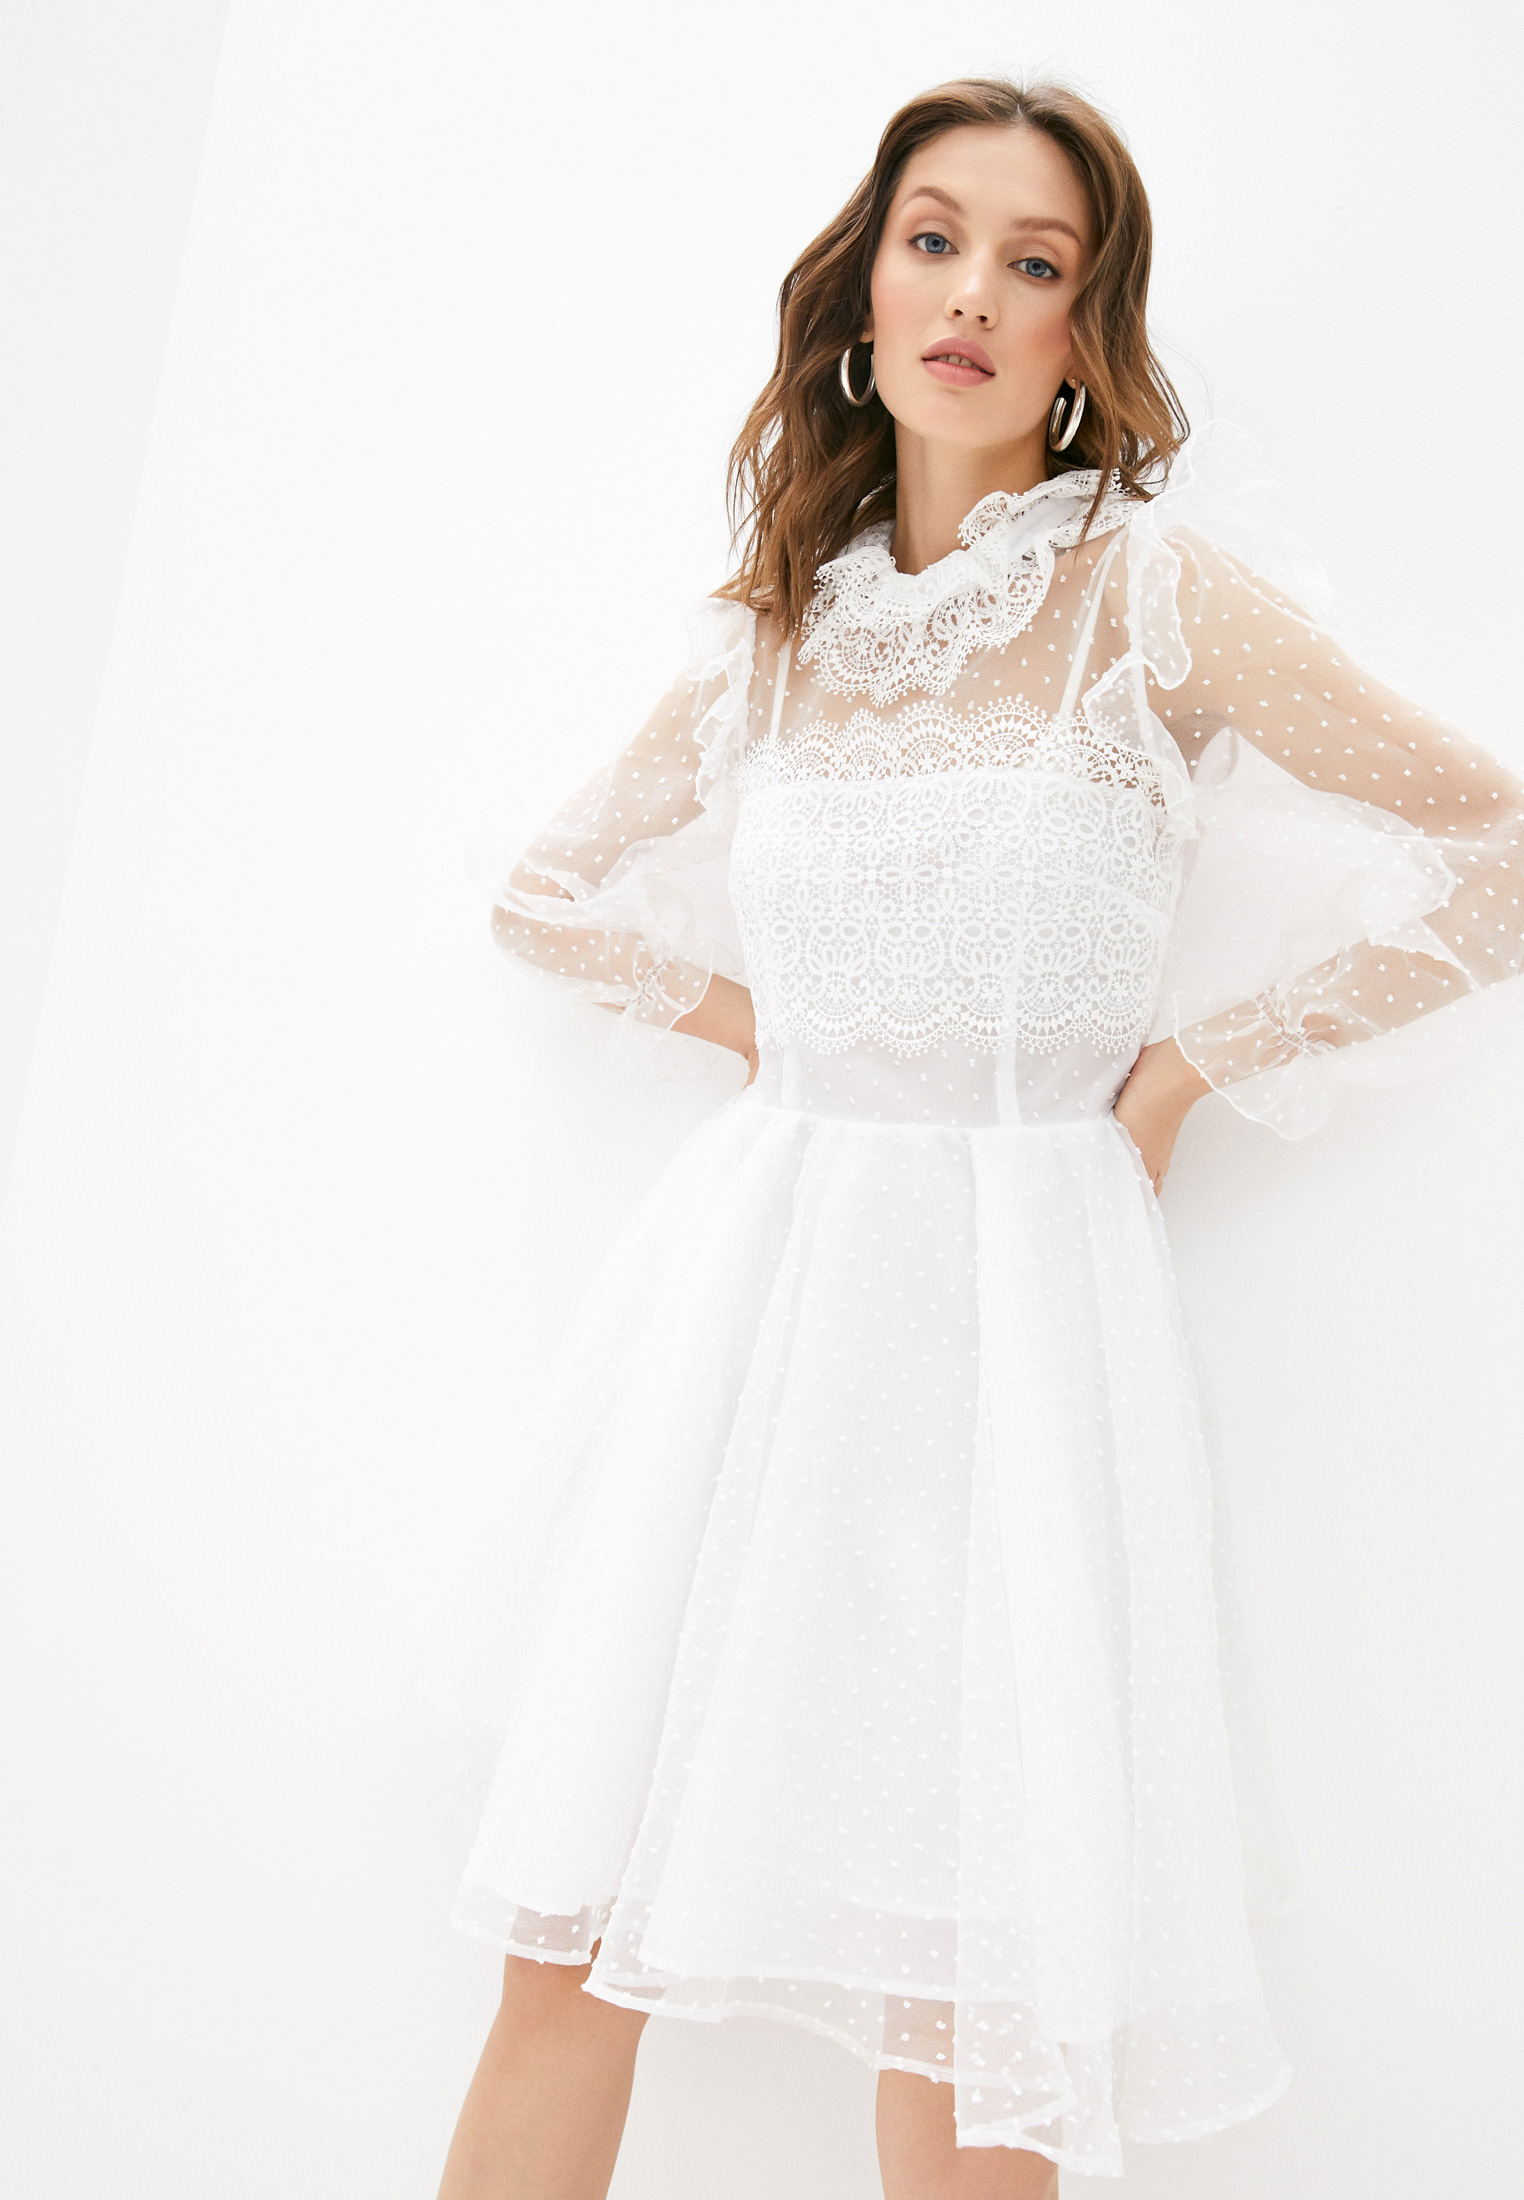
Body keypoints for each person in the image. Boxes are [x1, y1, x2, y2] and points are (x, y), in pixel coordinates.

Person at [435, 77, 1524, 2198]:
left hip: (1016, 1327)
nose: (973, 296)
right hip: (758, 1308)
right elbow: (541, 895)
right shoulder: (775, 632)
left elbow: (1497, 847)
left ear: (1085, 332)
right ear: (862, 288)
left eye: (1038, 264)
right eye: (935, 240)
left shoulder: (1149, 596)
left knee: (963, 2003)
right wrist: (785, 1038)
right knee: (564, 1945)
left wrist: (1191, 1067)